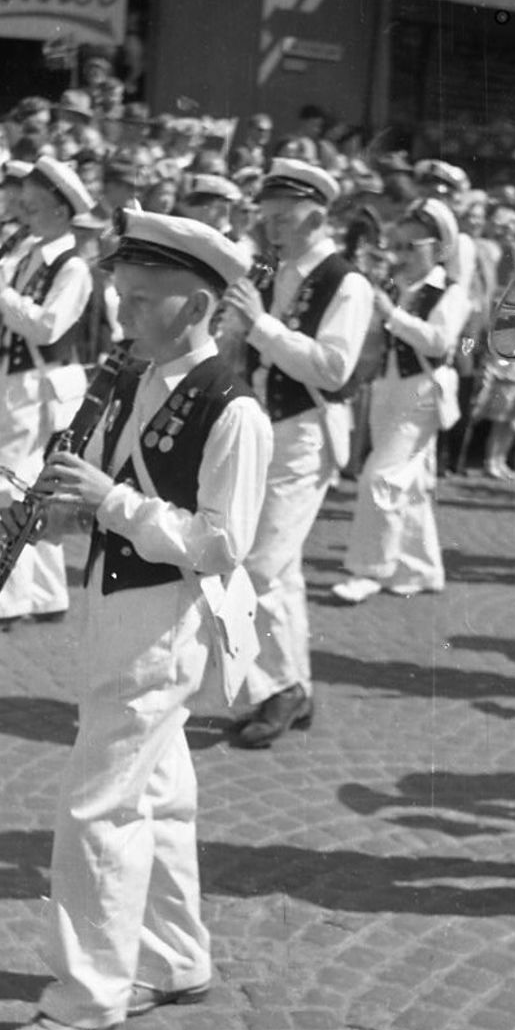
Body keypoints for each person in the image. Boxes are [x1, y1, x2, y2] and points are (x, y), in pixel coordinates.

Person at [0, 211, 272, 1030]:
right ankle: (177, 959)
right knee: (158, 799)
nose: (122, 314)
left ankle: (87, 998)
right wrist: (57, 517)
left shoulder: (235, 410)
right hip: (118, 603)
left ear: (197, 308)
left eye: (142, 299)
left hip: (165, 623)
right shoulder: (133, 381)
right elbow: (117, 502)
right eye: (122, 295)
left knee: (97, 807)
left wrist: (110, 503)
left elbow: (224, 544)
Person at [223, 157, 373, 746]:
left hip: (307, 431)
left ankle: (279, 689)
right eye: (267, 215)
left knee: (260, 564)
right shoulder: (268, 272)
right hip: (262, 427)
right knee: (277, 568)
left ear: (317, 215)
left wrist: (261, 327)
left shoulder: (348, 283)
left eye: (283, 216)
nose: (271, 226)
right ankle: (291, 688)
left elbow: (334, 371)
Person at [0, 156, 94, 625]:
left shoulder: (73, 266)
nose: (25, 218)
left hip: (36, 389)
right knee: (29, 488)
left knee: (0, 489)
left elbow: (47, 327)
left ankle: (6, 600)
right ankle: (45, 594)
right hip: (9, 382)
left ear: (61, 212)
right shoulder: (26, 258)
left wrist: (1, 292)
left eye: (35, 210)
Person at [331, 198, 469, 603]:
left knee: (381, 476)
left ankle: (368, 570)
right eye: (400, 246)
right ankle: (421, 569)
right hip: (389, 385)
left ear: (439, 249)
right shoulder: (395, 286)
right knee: (409, 484)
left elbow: (441, 341)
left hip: (424, 390)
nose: (403, 255)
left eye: (414, 247)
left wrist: (392, 314)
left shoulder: (451, 292)